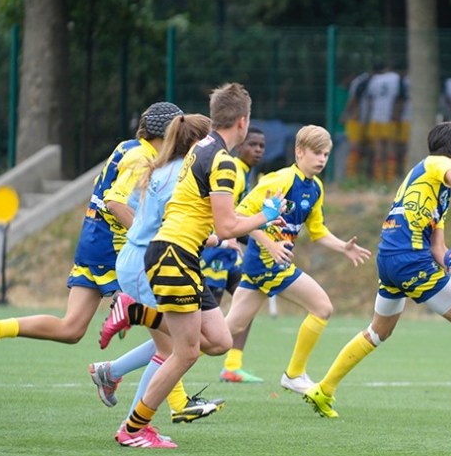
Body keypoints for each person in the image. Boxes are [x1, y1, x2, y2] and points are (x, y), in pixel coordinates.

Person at [302, 121, 451, 423]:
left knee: (378, 331)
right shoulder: (438, 163)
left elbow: (438, 249)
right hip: (410, 259)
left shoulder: (434, 188)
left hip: (391, 259)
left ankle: (323, 389)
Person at [117, 83, 285, 448]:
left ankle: (137, 313)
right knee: (186, 352)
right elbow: (226, 228)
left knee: (220, 341)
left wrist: (255, 216)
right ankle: (133, 429)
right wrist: (267, 215)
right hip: (174, 255)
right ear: (243, 122)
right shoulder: (222, 161)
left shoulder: (201, 148)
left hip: (180, 255)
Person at [0, 101, 184, 364]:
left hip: (93, 240)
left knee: (71, 329)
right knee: (170, 340)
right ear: (166, 132)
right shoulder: (141, 158)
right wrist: (147, 238)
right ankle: (160, 386)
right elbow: (114, 202)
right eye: (179, 130)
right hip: (113, 247)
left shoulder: (128, 147)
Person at [90, 114, 226, 428]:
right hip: (154, 262)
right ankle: (135, 426)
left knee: (211, 341)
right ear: (198, 144)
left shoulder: (166, 168)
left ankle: (112, 372)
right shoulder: (180, 175)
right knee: (176, 349)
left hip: (156, 260)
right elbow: (167, 225)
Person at [224, 124, 371, 395]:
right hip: (267, 264)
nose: (322, 159)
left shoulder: (315, 188)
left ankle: (170, 357)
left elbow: (318, 231)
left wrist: (343, 247)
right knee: (322, 307)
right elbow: (240, 216)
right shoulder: (278, 180)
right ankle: (294, 374)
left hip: (263, 266)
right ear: (299, 151)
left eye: (326, 154)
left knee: (226, 331)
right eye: (316, 153)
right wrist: (271, 245)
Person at [199, 127, 268, 384]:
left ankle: (232, 366)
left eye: (261, 146)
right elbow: (224, 213)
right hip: (215, 251)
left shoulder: (247, 173)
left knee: (246, 303)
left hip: (230, 253)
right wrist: (229, 237)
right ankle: (168, 356)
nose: (258, 150)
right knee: (207, 316)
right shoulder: (234, 171)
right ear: (240, 147)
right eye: (252, 144)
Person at [364, 63, 404, 184]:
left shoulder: (375, 79)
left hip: (376, 117)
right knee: (391, 147)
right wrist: (396, 114)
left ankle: (378, 178)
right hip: (390, 117)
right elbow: (399, 99)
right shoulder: (396, 78)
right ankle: (390, 178)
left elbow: (370, 100)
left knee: (378, 149)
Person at [340, 70, 371, 179]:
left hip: (360, 120)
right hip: (365, 119)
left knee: (356, 148)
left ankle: (353, 175)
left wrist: (345, 114)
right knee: (359, 149)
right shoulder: (365, 81)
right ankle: (353, 176)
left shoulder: (359, 82)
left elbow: (353, 100)